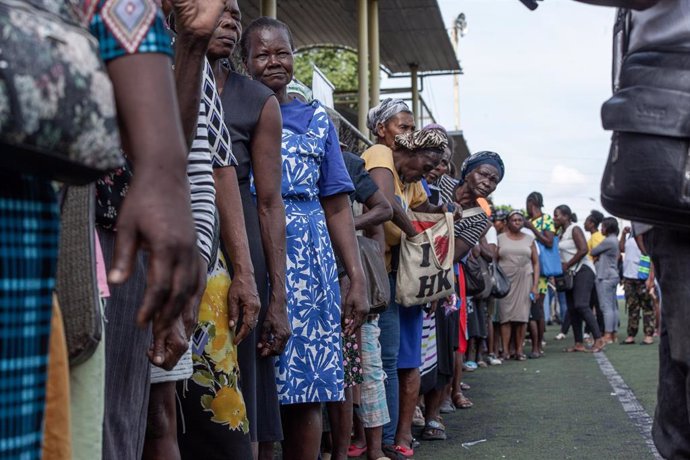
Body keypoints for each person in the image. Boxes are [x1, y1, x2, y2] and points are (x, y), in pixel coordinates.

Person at [241, 17, 368, 460]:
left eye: (283, 52)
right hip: (252, 249)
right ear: (245, 61)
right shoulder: (232, 107)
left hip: (311, 265)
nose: (274, 61)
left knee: (308, 385)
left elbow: (336, 204)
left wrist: (355, 277)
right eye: (262, 53)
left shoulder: (316, 118)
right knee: (255, 382)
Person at [206, 3, 290, 458]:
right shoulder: (160, 77)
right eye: (219, 12)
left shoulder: (257, 99)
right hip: (185, 236)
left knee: (245, 385)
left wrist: (276, 295)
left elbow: (270, 201)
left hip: (243, 252)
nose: (230, 21)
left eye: (236, 15)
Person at [362, 126, 452, 457]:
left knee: (400, 359)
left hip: (399, 276)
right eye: (426, 167)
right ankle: (381, 438)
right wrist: (418, 232)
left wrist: (445, 221)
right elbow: (386, 205)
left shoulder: (410, 180)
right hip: (377, 274)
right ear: (412, 152)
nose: (426, 175)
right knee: (382, 359)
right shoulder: (381, 155)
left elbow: (430, 210)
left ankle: (395, 434)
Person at [336, 150, 392, 460]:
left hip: (350, 275)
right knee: (344, 369)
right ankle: (337, 446)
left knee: (364, 365)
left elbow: (383, 210)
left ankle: (373, 448)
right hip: (315, 269)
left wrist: (343, 225)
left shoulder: (346, 161)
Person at [553, 205, 606, 353]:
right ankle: (578, 343)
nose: (554, 218)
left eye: (557, 215)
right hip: (569, 274)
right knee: (572, 308)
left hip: (583, 270)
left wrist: (567, 264)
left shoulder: (574, 229)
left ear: (566, 216)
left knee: (581, 305)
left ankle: (599, 338)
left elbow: (584, 249)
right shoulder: (560, 233)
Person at [497, 212, 540, 361]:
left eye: (520, 220)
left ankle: (519, 350)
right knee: (505, 316)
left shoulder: (530, 239)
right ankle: (506, 351)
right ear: (507, 222)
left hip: (525, 279)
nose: (517, 222)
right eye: (514, 220)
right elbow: (494, 261)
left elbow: (536, 262)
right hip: (505, 281)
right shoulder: (499, 239)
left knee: (522, 317)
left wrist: (535, 285)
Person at [524, 191, 556, 357]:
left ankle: (539, 345)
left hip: (541, 271)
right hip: (526, 269)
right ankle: (535, 343)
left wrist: (532, 229)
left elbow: (549, 242)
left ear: (532, 203)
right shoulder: (529, 221)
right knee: (529, 309)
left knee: (537, 309)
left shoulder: (546, 220)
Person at [619, 226, 655, 345]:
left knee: (647, 307)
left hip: (642, 276)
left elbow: (652, 257)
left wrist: (651, 278)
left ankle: (648, 335)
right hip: (629, 277)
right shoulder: (630, 235)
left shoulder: (646, 236)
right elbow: (621, 248)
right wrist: (623, 234)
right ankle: (631, 335)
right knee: (632, 307)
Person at [590, 217, 621, 345]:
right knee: (613, 307)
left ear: (608, 228)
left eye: (603, 226)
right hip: (612, 275)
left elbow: (593, 251)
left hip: (605, 276)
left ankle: (607, 335)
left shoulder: (608, 241)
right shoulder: (615, 240)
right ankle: (613, 333)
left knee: (606, 307)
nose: (601, 229)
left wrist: (597, 256)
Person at [584, 210, 606, 337]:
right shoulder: (593, 237)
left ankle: (601, 330)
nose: (584, 224)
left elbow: (598, 254)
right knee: (592, 302)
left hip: (595, 273)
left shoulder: (597, 237)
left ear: (592, 224)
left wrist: (591, 263)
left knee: (597, 303)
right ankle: (591, 329)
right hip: (593, 273)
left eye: (586, 222)